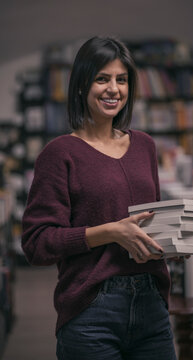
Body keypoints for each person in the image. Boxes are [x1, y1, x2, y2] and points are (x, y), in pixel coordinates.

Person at [21, 36, 177, 360]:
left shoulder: (145, 145)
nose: (114, 89)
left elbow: (150, 222)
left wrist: (174, 242)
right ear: (81, 85)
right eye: (102, 79)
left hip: (152, 306)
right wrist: (110, 232)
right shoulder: (59, 153)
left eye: (121, 80)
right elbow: (37, 243)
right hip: (91, 310)